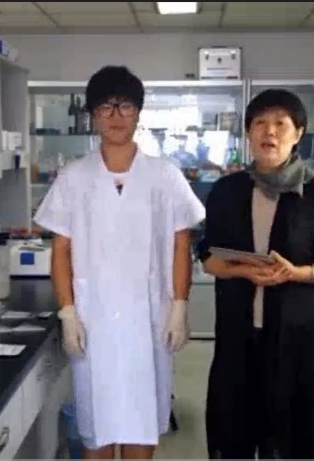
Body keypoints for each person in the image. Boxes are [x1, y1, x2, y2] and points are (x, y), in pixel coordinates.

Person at [34, 66, 206, 460]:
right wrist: (67, 314)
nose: (115, 116)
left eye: (125, 105)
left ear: (138, 112)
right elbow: (60, 252)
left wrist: (179, 307)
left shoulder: (165, 176)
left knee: (141, 430)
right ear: (92, 115)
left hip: (150, 319)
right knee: (96, 432)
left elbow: (181, 245)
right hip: (93, 323)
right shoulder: (73, 177)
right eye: (105, 107)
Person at [198, 89, 314, 459]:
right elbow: (207, 257)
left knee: (295, 434)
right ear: (248, 133)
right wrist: (244, 270)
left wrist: (300, 273)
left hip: (298, 338)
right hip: (238, 337)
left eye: (280, 124)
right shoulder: (227, 191)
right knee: (234, 432)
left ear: (298, 133)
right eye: (260, 123)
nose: (269, 132)